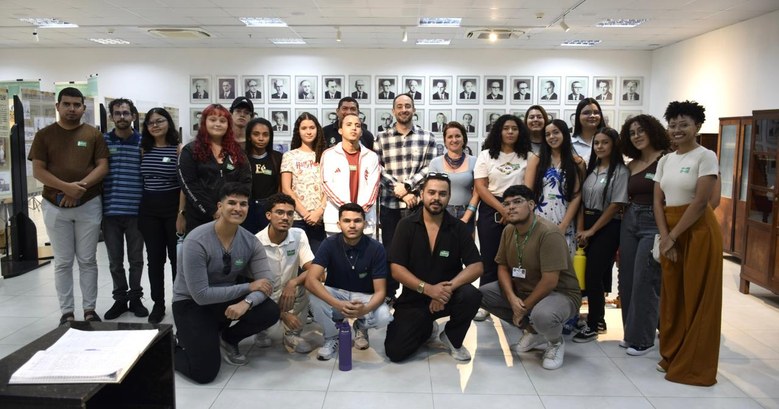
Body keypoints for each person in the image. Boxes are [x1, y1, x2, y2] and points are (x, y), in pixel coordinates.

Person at [172, 182, 279, 384]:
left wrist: (247, 302)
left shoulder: (251, 242)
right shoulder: (196, 240)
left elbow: (267, 283)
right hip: (191, 304)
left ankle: (228, 338)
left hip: (225, 301)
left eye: (243, 204)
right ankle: (170, 345)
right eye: (231, 203)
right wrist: (248, 287)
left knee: (270, 310)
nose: (238, 208)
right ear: (220, 207)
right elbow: (201, 295)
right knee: (204, 374)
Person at [653, 100, 722, 386]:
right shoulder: (666, 160)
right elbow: (658, 202)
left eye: (684, 124)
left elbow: (701, 202)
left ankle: (694, 365)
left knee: (697, 296)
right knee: (672, 296)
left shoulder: (706, 156)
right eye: (672, 125)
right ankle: (672, 353)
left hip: (698, 231)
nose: (677, 129)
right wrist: (665, 236)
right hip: (670, 230)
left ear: (697, 127)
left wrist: (673, 236)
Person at [29, 87, 109, 325]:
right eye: (67, 104)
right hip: (54, 206)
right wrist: (66, 188)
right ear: (58, 106)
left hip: (88, 204)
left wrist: (78, 188)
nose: (72, 109)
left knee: (87, 260)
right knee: (63, 262)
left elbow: (102, 167)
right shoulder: (44, 135)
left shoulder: (93, 135)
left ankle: (89, 310)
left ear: (83, 108)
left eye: (76, 105)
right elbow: (38, 171)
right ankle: (67, 312)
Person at [480, 185, 581, 370]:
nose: (511, 207)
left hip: (559, 293)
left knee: (543, 315)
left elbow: (550, 281)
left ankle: (555, 342)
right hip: (524, 289)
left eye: (517, 202)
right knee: (481, 294)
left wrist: (523, 308)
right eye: (507, 204)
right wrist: (512, 298)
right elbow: (502, 267)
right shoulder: (508, 230)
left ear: (532, 204)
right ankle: (534, 332)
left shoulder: (549, 233)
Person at [384, 173, 483, 362]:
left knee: (471, 295)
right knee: (395, 352)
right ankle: (427, 327)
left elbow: (476, 266)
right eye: (431, 192)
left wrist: (446, 290)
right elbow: (396, 269)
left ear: (449, 197)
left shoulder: (458, 227)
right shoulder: (406, 225)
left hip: (448, 296)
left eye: (442, 194)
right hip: (415, 297)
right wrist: (429, 290)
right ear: (422, 194)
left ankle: (453, 338)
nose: (436, 198)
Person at [306, 203, 393, 360]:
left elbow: (381, 291)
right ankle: (332, 337)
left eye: (357, 221)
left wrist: (364, 310)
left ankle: (361, 326)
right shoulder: (329, 243)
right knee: (313, 296)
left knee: (384, 316)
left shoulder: (376, 248)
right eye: (347, 221)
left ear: (364, 224)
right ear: (339, 224)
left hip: (364, 297)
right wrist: (337, 304)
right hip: (337, 294)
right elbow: (311, 280)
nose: (352, 225)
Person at [618, 114, 670, 356]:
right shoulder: (632, 164)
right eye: (632, 133)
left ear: (652, 131)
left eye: (641, 130)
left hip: (654, 221)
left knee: (645, 279)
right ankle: (631, 333)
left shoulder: (665, 159)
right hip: (630, 220)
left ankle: (643, 339)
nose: (636, 136)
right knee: (627, 278)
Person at [374, 94, 436, 300]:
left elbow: (430, 168)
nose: (403, 110)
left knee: (418, 252)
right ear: (393, 111)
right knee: (390, 251)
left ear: (414, 109)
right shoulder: (381, 138)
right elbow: (377, 168)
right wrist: (399, 190)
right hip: (390, 206)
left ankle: (415, 294)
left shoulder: (427, 137)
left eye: (407, 106)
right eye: (399, 106)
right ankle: (389, 294)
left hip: (416, 204)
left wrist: (408, 187)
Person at [473, 114, 532, 321]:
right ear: (499, 131)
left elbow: (528, 187)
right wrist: (503, 209)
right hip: (491, 208)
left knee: (518, 258)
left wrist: (512, 208)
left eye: (514, 128)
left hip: (520, 208)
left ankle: (517, 302)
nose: (510, 132)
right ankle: (485, 303)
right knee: (489, 257)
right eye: (506, 128)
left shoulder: (527, 156)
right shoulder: (486, 155)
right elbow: (481, 187)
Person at [573, 127, 628, 342]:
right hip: (587, 224)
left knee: (594, 275)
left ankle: (594, 323)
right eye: (597, 143)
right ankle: (599, 319)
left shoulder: (620, 171)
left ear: (614, 145)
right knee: (589, 273)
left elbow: (615, 205)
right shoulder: (592, 169)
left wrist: (592, 230)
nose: (600, 147)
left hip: (607, 226)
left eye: (605, 142)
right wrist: (581, 229)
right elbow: (581, 200)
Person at [102, 98, 148, 320]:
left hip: (136, 211)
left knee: (136, 260)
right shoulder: (103, 141)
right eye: (117, 113)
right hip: (110, 211)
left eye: (126, 113)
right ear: (111, 116)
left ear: (133, 116)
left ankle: (136, 297)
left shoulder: (142, 142)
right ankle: (120, 299)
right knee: (115, 261)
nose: (122, 117)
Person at [139, 107, 184, 324]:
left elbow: (183, 185)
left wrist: (181, 213)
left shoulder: (178, 149)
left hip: (172, 208)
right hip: (149, 210)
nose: (155, 125)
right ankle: (158, 304)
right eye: (151, 122)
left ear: (168, 123)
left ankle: (179, 301)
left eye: (160, 121)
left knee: (177, 259)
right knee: (154, 259)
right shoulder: (143, 149)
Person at [254, 193, 315, 353]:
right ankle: (261, 330)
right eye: (279, 212)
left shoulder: (299, 234)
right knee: (254, 295)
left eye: (290, 213)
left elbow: (313, 269)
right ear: (268, 215)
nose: (285, 218)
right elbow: (252, 283)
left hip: (289, 291)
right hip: (265, 293)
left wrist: (293, 283)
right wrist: (281, 314)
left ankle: (292, 334)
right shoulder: (256, 242)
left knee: (308, 284)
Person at [178, 104, 251, 233]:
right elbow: (189, 185)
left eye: (222, 121)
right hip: (199, 218)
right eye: (212, 120)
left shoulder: (237, 151)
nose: (217, 124)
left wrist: (232, 208)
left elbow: (246, 181)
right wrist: (213, 211)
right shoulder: (190, 151)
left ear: (228, 125)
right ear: (204, 122)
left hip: (231, 216)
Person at [524, 119, 585, 257]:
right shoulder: (537, 159)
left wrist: (564, 225)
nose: (552, 137)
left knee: (563, 263)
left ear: (564, 134)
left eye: (556, 132)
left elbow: (577, 196)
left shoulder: (577, 162)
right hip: (539, 219)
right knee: (538, 262)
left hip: (565, 220)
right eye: (547, 134)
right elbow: (527, 193)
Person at [321, 113, 380, 237]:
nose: (354, 128)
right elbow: (326, 185)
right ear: (340, 130)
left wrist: (360, 211)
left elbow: (374, 187)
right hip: (336, 220)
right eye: (349, 125)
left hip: (365, 219)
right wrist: (347, 209)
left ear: (361, 132)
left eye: (357, 125)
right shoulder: (329, 155)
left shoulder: (371, 156)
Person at [280, 112, 327, 254]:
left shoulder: (326, 155)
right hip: (297, 217)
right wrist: (305, 214)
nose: (308, 132)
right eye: (304, 128)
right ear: (298, 131)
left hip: (321, 218)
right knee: (297, 260)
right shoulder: (289, 156)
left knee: (318, 260)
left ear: (317, 129)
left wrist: (319, 212)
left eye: (312, 127)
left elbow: (331, 187)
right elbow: (286, 188)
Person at [429, 122, 479, 235]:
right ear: (445, 141)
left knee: (465, 246)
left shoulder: (475, 161)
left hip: (467, 212)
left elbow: (477, 193)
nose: (454, 140)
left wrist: (466, 217)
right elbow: (431, 192)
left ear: (463, 139)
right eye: (450, 137)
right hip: (441, 213)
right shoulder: (435, 163)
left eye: (458, 136)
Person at [242, 117, 282, 234]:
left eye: (265, 135)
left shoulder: (278, 158)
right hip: (246, 208)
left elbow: (281, 186)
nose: (261, 138)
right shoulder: (241, 158)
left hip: (269, 209)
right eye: (256, 134)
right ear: (249, 136)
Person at [571, 98, 605, 162]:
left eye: (596, 112)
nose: (592, 116)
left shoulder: (610, 141)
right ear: (578, 116)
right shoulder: (570, 144)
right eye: (586, 113)